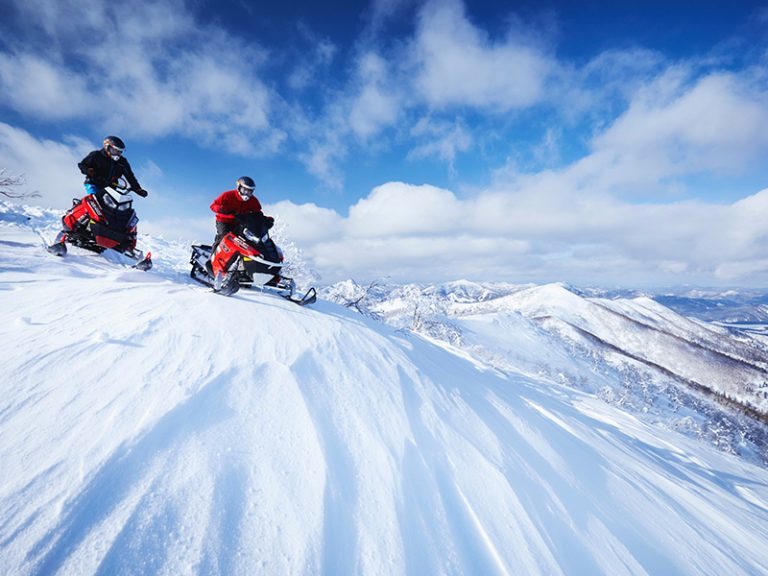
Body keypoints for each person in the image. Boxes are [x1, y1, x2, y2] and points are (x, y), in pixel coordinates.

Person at [48, 136, 149, 251]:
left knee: (115, 211)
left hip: (110, 188)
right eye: (115, 150)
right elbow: (82, 165)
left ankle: (114, 238)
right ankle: (74, 226)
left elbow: (130, 176)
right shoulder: (96, 155)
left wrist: (138, 189)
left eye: (120, 152)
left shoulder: (122, 162)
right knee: (95, 203)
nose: (118, 154)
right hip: (94, 184)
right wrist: (88, 171)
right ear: (107, 147)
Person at [209, 176, 273, 256]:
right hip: (224, 221)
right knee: (224, 238)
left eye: (249, 192)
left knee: (245, 240)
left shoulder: (253, 200)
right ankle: (212, 258)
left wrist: (265, 220)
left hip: (240, 222)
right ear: (239, 187)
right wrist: (222, 209)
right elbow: (213, 205)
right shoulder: (227, 195)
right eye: (244, 190)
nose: (247, 194)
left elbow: (258, 214)